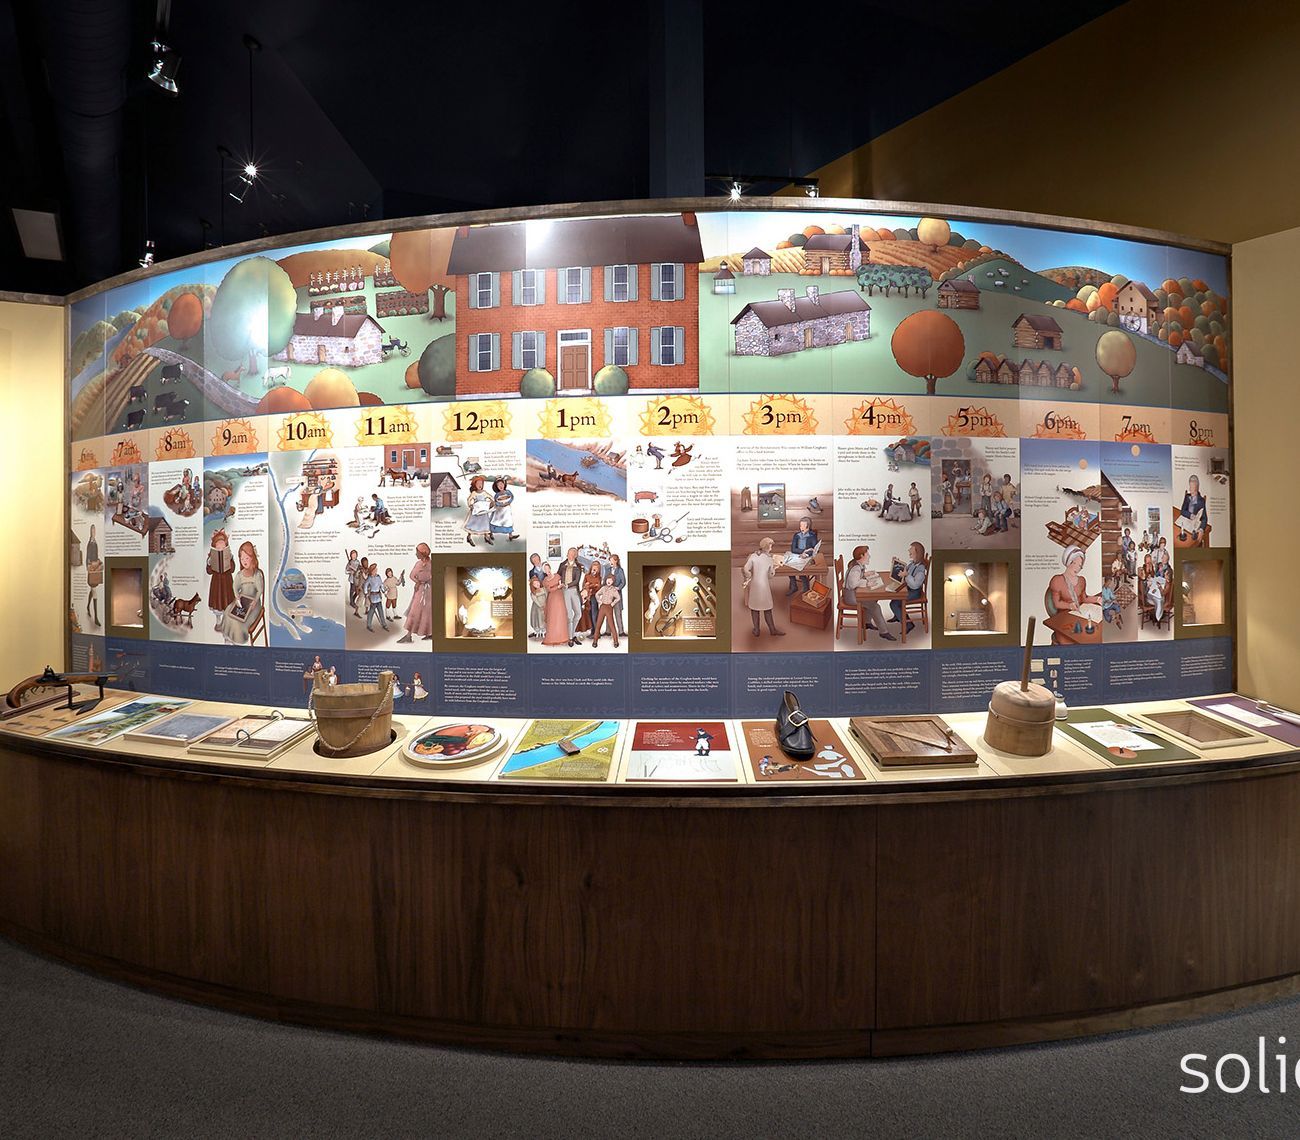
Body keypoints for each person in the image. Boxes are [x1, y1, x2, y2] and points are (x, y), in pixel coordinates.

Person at [843, 545, 895, 642]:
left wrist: (865, 574)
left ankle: (866, 623)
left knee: (874, 599)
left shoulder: (857, 565)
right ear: (861, 556)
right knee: (875, 607)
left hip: (853, 594)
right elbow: (853, 584)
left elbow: (857, 577)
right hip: (851, 597)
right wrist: (867, 583)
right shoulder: (855, 569)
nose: (869, 556)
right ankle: (884, 632)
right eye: (867, 554)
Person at [218, 541, 264, 644]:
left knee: (239, 621)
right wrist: (237, 596)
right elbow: (235, 587)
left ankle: (237, 640)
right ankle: (228, 638)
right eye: (242, 559)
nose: (244, 561)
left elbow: (260, 590)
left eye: (247, 558)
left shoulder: (256, 574)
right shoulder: (240, 574)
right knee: (228, 612)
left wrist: (255, 601)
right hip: (241, 600)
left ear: (252, 558)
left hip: (253, 603)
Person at [743, 537, 785, 638]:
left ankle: (756, 630)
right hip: (764, 586)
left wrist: (749, 575)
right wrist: (774, 569)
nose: (771, 548)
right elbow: (770, 576)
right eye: (770, 546)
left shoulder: (753, 556)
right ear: (767, 547)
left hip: (755, 585)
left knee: (755, 608)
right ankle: (772, 629)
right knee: (767, 609)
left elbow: (746, 568)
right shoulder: (769, 559)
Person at [1048, 545, 1101, 621]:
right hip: (1065, 615)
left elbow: (1084, 598)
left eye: (1080, 565)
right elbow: (1057, 603)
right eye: (1074, 563)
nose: (1077, 568)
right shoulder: (1057, 580)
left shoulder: (1082, 580)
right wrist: (1069, 606)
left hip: (1080, 613)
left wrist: (1097, 599)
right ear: (1067, 562)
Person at [888, 541, 928, 634]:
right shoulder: (913, 564)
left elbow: (915, 585)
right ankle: (898, 616)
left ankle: (909, 625)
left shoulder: (920, 570)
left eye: (911, 551)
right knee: (894, 597)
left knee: (894, 604)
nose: (909, 551)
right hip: (909, 589)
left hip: (915, 592)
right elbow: (906, 569)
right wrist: (896, 563)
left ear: (917, 553)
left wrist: (906, 575)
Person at [396, 543, 433, 643]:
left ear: (422, 553)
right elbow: (411, 575)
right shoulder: (418, 564)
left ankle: (430, 633)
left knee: (428, 612)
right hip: (420, 590)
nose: (416, 554)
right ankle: (409, 635)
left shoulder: (432, 563)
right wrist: (418, 582)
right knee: (414, 612)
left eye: (417, 552)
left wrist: (428, 580)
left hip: (430, 590)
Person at [206, 529, 235, 631]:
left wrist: (230, 559)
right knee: (217, 602)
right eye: (218, 548)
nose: (221, 549)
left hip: (227, 582)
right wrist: (209, 563)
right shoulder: (211, 557)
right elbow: (209, 572)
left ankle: (227, 622)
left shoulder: (229, 555)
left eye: (223, 548)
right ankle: (218, 621)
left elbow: (232, 569)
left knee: (227, 602)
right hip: (217, 583)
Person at [786, 516, 819, 597]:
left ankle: (806, 588)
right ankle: (794, 586)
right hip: (797, 555)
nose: (801, 527)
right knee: (789, 566)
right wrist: (803, 551)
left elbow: (814, 549)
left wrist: (807, 554)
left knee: (803, 568)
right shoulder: (796, 535)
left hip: (807, 557)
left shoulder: (812, 536)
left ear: (808, 526)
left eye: (803, 525)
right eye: (800, 525)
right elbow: (793, 549)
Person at [558, 548, 585, 646]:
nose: (570, 556)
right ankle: (570, 638)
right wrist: (560, 584)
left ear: (576, 555)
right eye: (569, 554)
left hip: (574, 590)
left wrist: (567, 585)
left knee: (578, 613)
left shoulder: (578, 566)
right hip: (565, 592)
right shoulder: (562, 565)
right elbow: (558, 576)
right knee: (569, 615)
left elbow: (577, 580)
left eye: (573, 554)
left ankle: (572, 634)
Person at [542, 563, 570, 646]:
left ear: (550, 568)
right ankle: (552, 638)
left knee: (561, 616)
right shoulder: (545, 580)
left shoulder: (557, 576)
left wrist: (562, 585)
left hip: (560, 597)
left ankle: (563, 637)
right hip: (552, 599)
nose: (547, 570)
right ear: (544, 571)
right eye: (545, 569)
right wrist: (557, 587)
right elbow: (549, 590)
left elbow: (562, 583)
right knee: (553, 618)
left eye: (548, 568)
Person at [591, 575, 621, 649]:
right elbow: (597, 594)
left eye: (611, 580)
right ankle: (595, 641)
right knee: (598, 624)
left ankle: (616, 641)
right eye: (608, 579)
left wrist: (612, 604)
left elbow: (618, 598)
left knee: (611, 624)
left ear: (613, 582)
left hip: (609, 607)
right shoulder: (603, 588)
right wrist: (599, 601)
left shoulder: (614, 590)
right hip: (602, 607)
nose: (609, 581)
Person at [464, 476, 492, 546]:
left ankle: (486, 537)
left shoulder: (484, 492)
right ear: (475, 485)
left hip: (483, 511)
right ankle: (469, 537)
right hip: (476, 511)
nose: (480, 485)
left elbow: (491, 497)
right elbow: (469, 499)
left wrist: (492, 502)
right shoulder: (474, 493)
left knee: (485, 523)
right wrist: (470, 505)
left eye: (481, 483)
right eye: (478, 484)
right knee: (472, 524)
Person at [1178, 475, 1209, 540]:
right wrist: (1190, 515)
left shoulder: (1201, 501)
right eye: (1190, 486)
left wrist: (1201, 529)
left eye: (1192, 487)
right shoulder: (1187, 497)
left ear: (1197, 488)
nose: (1190, 489)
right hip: (1186, 523)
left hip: (1194, 526)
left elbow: (1204, 518)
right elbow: (1182, 511)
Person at [579, 560, 604, 638]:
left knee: (594, 615)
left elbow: (598, 587)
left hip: (594, 597)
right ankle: (593, 631)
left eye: (596, 569)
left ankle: (597, 633)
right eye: (593, 569)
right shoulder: (587, 576)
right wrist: (592, 585)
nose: (594, 570)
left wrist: (590, 585)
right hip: (587, 597)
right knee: (589, 615)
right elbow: (584, 585)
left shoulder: (599, 577)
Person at [363, 564, 389, 632]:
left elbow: (381, 585)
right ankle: (369, 625)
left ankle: (384, 624)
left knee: (381, 611)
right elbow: (365, 585)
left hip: (378, 596)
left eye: (376, 569)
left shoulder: (378, 577)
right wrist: (366, 593)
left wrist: (384, 591)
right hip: (373, 597)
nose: (376, 570)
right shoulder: (370, 578)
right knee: (371, 611)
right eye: (375, 569)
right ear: (372, 571)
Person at [527, 553, 547, 638]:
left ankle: (545, 630)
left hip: (545, 592)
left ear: (540, 559)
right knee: (536, 614)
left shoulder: (545, 568)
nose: (536, 561)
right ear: (532, 562)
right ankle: (537, 630)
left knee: (545, 614)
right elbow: (532, 584)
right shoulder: (531, 572)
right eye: (534, 560)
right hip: (537, 595)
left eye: (537, 559)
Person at [85, 523, 101, 627]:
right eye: (92, 531)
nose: (93, 532)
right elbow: (87, 557)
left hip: (95, 569)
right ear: (90, 532)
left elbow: (96, 555)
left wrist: (99, 561)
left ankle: (87, 606)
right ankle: (96, 618)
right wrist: (88, 566)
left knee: (93, 590)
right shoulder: (90, 544)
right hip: (91, 569)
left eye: (94, 531)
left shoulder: (95, 542)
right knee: (95, 592)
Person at [609, 553, 627, 637]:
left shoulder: (620, 570)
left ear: (616, 561)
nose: (610, 562)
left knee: (618, 613)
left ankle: (621, 631)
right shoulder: (608, 569)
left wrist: (618, 588)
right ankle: (608, 631)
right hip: (608, 595)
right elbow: (605, 580)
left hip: (616, 595)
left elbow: (623, 582)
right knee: (608, 613)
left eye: (611, 560)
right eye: (610, 560)